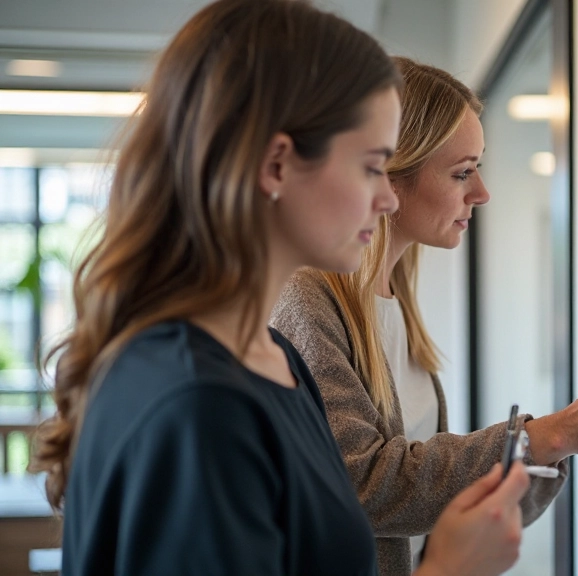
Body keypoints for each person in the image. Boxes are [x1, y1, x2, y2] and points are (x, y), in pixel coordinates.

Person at [31, 2, 530, 575]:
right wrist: (447, 569)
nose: (389, 197)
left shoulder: (277, 360)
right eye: (371, 166)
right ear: (277, 166)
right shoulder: (195, 404)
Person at [270, 57, 578, 576]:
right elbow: (362, 482)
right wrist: (552, 433)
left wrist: (560, 441)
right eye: (462, 173)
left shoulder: (395, 298)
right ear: (391, 175)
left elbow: (427, 502)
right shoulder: (305, 298)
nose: (481, 193)